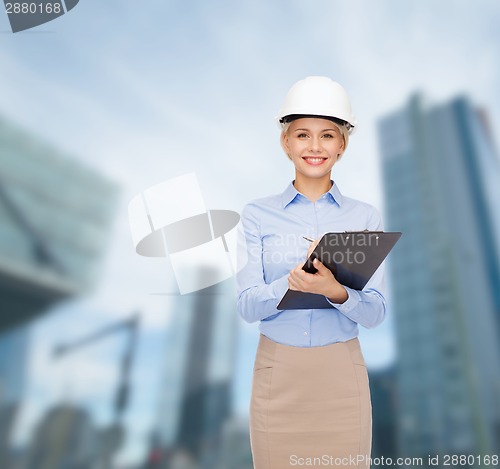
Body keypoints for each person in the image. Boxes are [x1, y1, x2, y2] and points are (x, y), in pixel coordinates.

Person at [236, 76, 386, 469]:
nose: (315, 147)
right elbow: (247, 307)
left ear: (343, 144)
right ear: (286, 142)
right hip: (278, 374)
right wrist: (291, 283)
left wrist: (335, 290)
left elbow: (375, 313)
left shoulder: (365, 216)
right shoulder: (257, 214)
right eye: (302, 134)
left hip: (341, 374)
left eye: (328, 135)